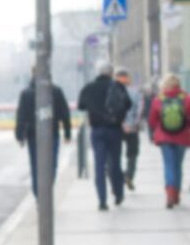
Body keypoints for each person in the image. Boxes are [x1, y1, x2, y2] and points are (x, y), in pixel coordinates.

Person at [78, 62, 132, 210]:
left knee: (99, 165)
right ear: (111, 73)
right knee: (115, 163)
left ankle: (102, 200)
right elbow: (128, 104)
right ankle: (119, 194)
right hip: (114, 130)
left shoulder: (89, 87)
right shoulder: (117, 86)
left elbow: (81, 106)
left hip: (97, 130)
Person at [14, 67, 72, 196]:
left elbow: (21, 116)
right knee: (51, 166)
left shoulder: (27, 93)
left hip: (34, 136)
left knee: (36, 167)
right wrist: (67, 133)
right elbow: (65, 113)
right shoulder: (55, 91)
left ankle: (39, 196)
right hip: (52, 134)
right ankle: (45, 194)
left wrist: (20, 136)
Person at [147, 73, 190, 209]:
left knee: (168, 165)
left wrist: (156, 132)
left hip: (164, 137)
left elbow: (152, 120)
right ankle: (176, 195)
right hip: (183, 137)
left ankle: (170, 194)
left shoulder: (159, 99)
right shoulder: (187, 98)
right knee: (178, 166)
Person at [116, 68, 143, 190]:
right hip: (132, 128)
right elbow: (139, 110)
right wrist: (134, 124)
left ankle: (117, 176)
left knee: (115, 154)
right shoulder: (135, 92)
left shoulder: (112, 92)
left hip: (117, 128)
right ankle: (129, 175)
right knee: (132, 154)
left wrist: (120, 124)